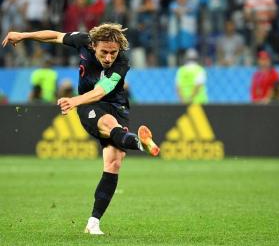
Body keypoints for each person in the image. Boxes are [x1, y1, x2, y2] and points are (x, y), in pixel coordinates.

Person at [2, 23, 160, 234]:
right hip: (88, 106)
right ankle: (140, 143)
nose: (108, 58)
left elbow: (102, 91)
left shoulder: (122, 62)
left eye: (113, 53)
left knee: (114, 162)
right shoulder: (83, 40)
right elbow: (55, 36)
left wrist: (73, 100)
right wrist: (24, 35)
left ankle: (93, 223)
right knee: (108, 124)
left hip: (114, 104)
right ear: (93, 45)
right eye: (104, 52)